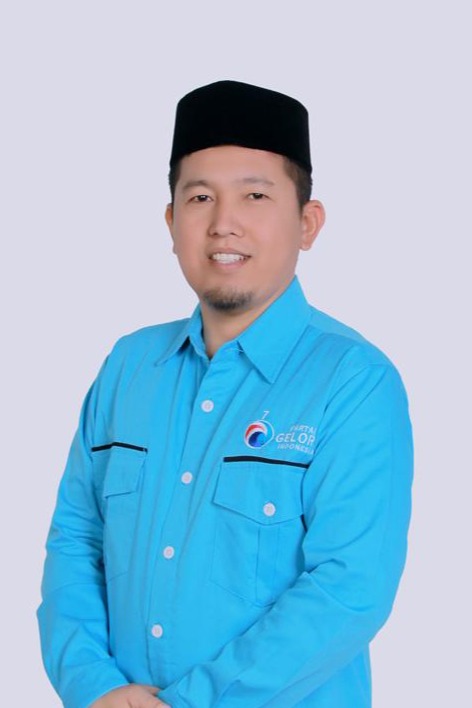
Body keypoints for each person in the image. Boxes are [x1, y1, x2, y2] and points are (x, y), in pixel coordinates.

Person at [38, 80, 413, 708]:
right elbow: (77, 539)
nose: (223, 224)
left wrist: (187, 703)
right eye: (200, 197)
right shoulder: (129, 366)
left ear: (308, 223)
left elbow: (349, 588)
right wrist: (94, 687)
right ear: (171, 221)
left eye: (255, 195)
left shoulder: (353, 381)